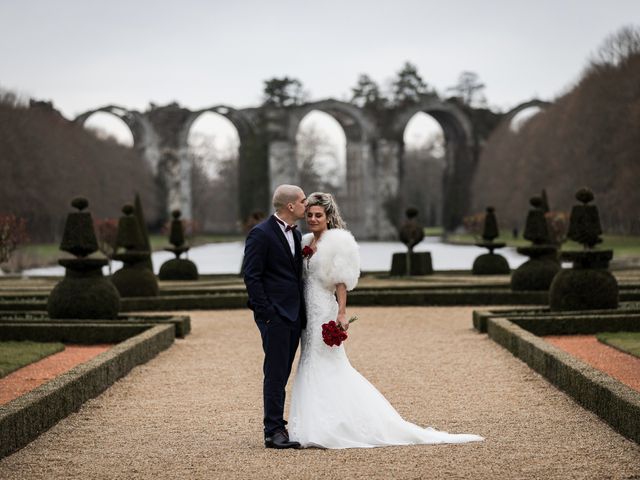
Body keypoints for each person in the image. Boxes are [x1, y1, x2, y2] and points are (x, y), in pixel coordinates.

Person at [288, 192, 484, 449]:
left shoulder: (339, 242)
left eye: (318, 215)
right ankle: (310, 424)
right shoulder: (304, 240)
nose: (313, 219)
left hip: (324, 309)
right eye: (310, 215)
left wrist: (342, 313)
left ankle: (333, 425)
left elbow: (341, 281)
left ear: (328, 217)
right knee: (308, 361)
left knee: (328, 362)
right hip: (307, 313)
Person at [243, 184, 307, 449]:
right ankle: (273, 431)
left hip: (295, 316)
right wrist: (267, 314)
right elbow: (251, 276)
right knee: (276, 373)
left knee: (284, 371)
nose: (307, 204)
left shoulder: (297, 233)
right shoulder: (261, 234)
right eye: (303, 201)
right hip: (276, 317)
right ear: (290, 206)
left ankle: (280, 426)